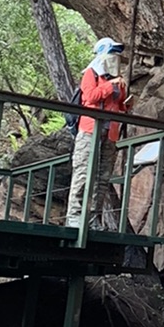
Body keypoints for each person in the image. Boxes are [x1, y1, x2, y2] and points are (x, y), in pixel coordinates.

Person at [66, 38, 132, 227]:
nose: (115, 58)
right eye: (113, 53)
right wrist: (110, 86)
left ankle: (94, 218)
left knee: (102, 178)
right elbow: (90, 97)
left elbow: (119, 107)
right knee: (83, 173)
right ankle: (75, 217)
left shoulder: (118, 81)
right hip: (89, 131)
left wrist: (126, 105)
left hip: (109, 134)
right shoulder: (91, 73)